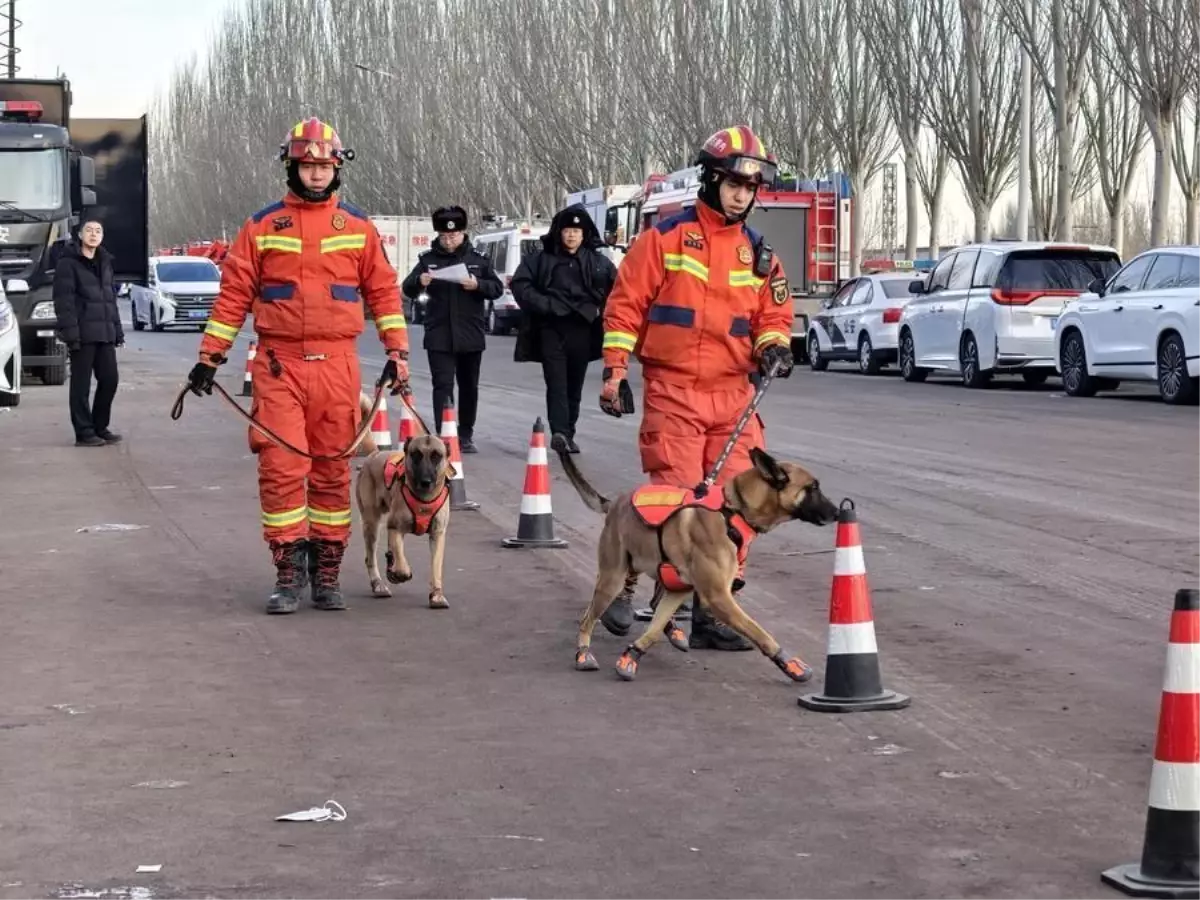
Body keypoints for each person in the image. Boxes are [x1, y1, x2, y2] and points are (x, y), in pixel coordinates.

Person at [185, 116, 410, 616]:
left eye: (324, 166)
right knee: (281, 470)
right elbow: (233, 296)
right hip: (279, 366)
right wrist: (209, 358)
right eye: (307, 165)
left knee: (332, 471)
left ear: (337, 169)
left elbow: (384, 292)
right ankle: (288, 573)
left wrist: (397, 352)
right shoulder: (262, 226)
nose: (315, 175)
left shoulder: (357, 227)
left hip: (337, 366)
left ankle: (327, 574)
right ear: (291, 165)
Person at [596, 125, 796, 651]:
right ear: (710, 180)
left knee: (742, 503)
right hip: (674, 389)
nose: (742, 194)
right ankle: (628, 580)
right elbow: (625, 307)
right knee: (678, 499)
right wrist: (614, 369)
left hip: (734, 395)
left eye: (750, 187)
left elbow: (773, 314)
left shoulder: (759, 255)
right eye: (734, 183)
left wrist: (774, 345)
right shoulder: (663, 239)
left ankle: (714, 607)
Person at [510, 203, 617, 453]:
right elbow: (520, 285)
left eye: (577, 232)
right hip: (551, 329)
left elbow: (618, 290)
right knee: (556, 383)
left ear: (584, 235)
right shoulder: (540, 259)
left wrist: (599, 308)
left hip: (583, 330)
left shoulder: (598, 262)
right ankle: (559, 431)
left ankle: (569, 431)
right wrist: (546, 304)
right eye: (567, 230)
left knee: (574, 385)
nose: (572, 236)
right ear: (559, 232)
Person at [401, 206, 503, 453]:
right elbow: (407, 288)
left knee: (469, 386)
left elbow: (496, 288)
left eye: (453, 236)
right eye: (444, 237)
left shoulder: (478, 259)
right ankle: (445, 434)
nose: (448, 241)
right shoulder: (428, 260)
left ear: (463, 233)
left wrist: (478, 284)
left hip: (470, 333)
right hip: (439, 334)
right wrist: (420, 281)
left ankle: (465, 434)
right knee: (442, 386)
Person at [53, 218, 124, 447]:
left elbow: (110, 300)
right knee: (81, 386)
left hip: (104, 332)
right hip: (82, 334)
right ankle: (84, 432)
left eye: (98, 231)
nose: (94, 234)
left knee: (110, 379)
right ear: (80, 235)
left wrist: (117, 331)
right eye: (89, 230)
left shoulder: (105, 261)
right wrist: (70, 333)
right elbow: (64, 302)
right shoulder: (68, 263)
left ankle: (99, 426)